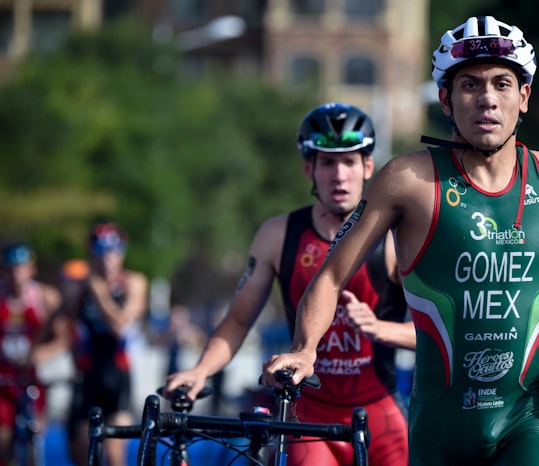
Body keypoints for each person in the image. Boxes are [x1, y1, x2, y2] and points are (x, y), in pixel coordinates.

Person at [262, 16, 539, 466]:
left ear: (523, 97)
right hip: (440, 427)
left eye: (502, 84)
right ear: (445, 99)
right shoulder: (407, 180)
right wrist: (306, 348)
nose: (487, 98)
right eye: (470, 85)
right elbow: (330, 276)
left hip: (528, 418)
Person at [165, 102, 415, 466]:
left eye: (349, 161)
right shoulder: (278, 235)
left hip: (380, 415)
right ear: (308, 168)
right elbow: (238, 320)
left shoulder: (394, 239)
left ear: (367, 166)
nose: (339, 175)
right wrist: (201, 370)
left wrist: (380, 329)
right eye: (327, 163)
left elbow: (438, 333)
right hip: (309, 416)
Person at [64, 221, 148, 466]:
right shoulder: (82, 286)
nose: (107, 258)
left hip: (117, 375)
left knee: (114, 454)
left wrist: (99, 293)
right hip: (88, 374)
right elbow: (63, 324)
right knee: (80, 451)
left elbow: (120, 326)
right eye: (101, 251)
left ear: (122, 252)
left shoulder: (133, 282)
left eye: (113, 251)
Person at [0, 241, 63, 466]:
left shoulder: (45, 297)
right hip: (0, 377)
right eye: (10, 268)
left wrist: (42, 353)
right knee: (3, 438)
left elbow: (63, 337)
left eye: (21, 267)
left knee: (35, 433)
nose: (16, 274)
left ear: (31, 269)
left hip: (30, 377)